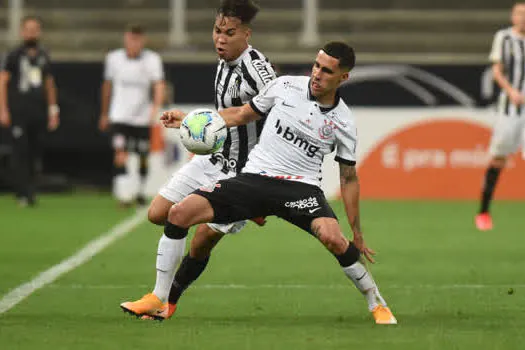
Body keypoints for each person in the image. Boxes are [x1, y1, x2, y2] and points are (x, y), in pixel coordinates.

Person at [126, 42, 397, 325]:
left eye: (327, 71)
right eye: (317, 66)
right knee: (179, 213)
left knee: (333, 238)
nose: (317, 74)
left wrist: (357, 232)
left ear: (343, 78)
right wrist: (191, 120)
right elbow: (241, 114)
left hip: (300, 187)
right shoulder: (285, 86)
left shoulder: (344, 122)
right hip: (254, 179)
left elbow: (348, 178)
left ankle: (376, 303)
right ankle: (162, 300)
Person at [120, 0, 276, 320]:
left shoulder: (258, 71)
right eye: (217, 31)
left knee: (199, 237)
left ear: (246, 34)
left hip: (243, 175)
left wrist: (264, 180)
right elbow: (227, 113)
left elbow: (277, 115)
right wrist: (195, 126)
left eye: (229, 33)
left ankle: (162, 300)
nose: (220, 39)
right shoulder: (222, 62)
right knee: (157, 212)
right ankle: (161, 299)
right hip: (215, 158)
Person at [98, 24, 165, 206]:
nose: (134, 43)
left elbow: (158, 85)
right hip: (119, 116)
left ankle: (140, 191)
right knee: (120, 153)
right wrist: (104, 113)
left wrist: (155, 108)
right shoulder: (114, 59)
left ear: (142, 41)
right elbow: (107, 86)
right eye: (131, 39)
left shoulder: (152, 60)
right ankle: (123, 194)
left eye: (137, 39)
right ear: (125, 39)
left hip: (142, 117)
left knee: (143, 155)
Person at [0, 16, 59, 207]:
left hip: (38, 111)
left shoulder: (43, 55)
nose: (32, 33)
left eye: (35, 29)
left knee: (35, 152)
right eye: (28, 29)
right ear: (22, 31)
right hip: (19, 111)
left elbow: (49, 84)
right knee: (20, 152)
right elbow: (3, 82)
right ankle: (22, 192)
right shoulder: (14, 55)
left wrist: (52, 109)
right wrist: (3, 109)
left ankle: (31, 191)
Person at [476, 2, 525, 231]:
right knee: (498, 159)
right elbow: (497, 72)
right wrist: (512, 91)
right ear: (512, 16)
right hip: (509, 109)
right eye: (519, 14)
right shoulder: (504, 38)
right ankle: (484, 211)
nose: (522, 18)